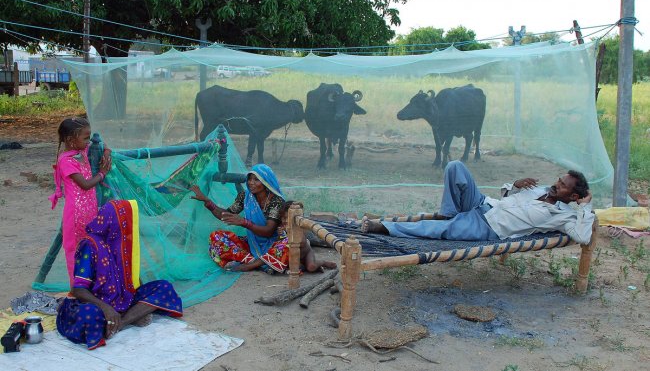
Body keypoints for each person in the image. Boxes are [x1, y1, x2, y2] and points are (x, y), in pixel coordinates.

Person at [362, 161, 594, 245]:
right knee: (456, 168)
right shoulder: (539, 189)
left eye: (563, 185)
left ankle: (384, 227)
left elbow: (583, 237)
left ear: (574, 197)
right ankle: (449, 212)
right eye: (559, 180)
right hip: (485, 203)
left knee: (437, 230)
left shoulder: (566, 216)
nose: (556, 184)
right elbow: (507, 200)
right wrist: (515, 185)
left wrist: (586, 206)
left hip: (489, 227)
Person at [56, 200, 183, 350]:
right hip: (95, 302)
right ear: (114, 222)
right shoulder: (89, 245)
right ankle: (124, 317)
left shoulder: (121, 242)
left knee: (164, 288)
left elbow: (133, 279)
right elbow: (78, 289)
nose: (128, 226)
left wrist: (136, 295)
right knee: (90, 316)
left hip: (122, 297)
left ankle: (121, 322)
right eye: (125, 221)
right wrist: (106, 308)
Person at [190, 164, 335, 273]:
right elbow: (225, 215)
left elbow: (268, 231)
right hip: (253, 244)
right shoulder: (245, 197)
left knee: (288, 242)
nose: (251, 183)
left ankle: (254, 264)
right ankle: (260, 262)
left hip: (274, 242)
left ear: (266, 182)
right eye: (250, 179)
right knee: (217, 237)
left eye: (256, 180)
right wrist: (207, 202)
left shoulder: (276, 201)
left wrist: (244, 222)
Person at [49, 117, 112, 285]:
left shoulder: (81, 152)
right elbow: (84, 185)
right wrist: (102, 173)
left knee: (90, 248)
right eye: (85, 137)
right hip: (76, 215)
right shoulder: (66, 161)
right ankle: (77, 289)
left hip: (89, 212)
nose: (88, 141)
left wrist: (106, 152)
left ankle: (89, 287)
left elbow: (102, 143)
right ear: (71, 140)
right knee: (76, 251)